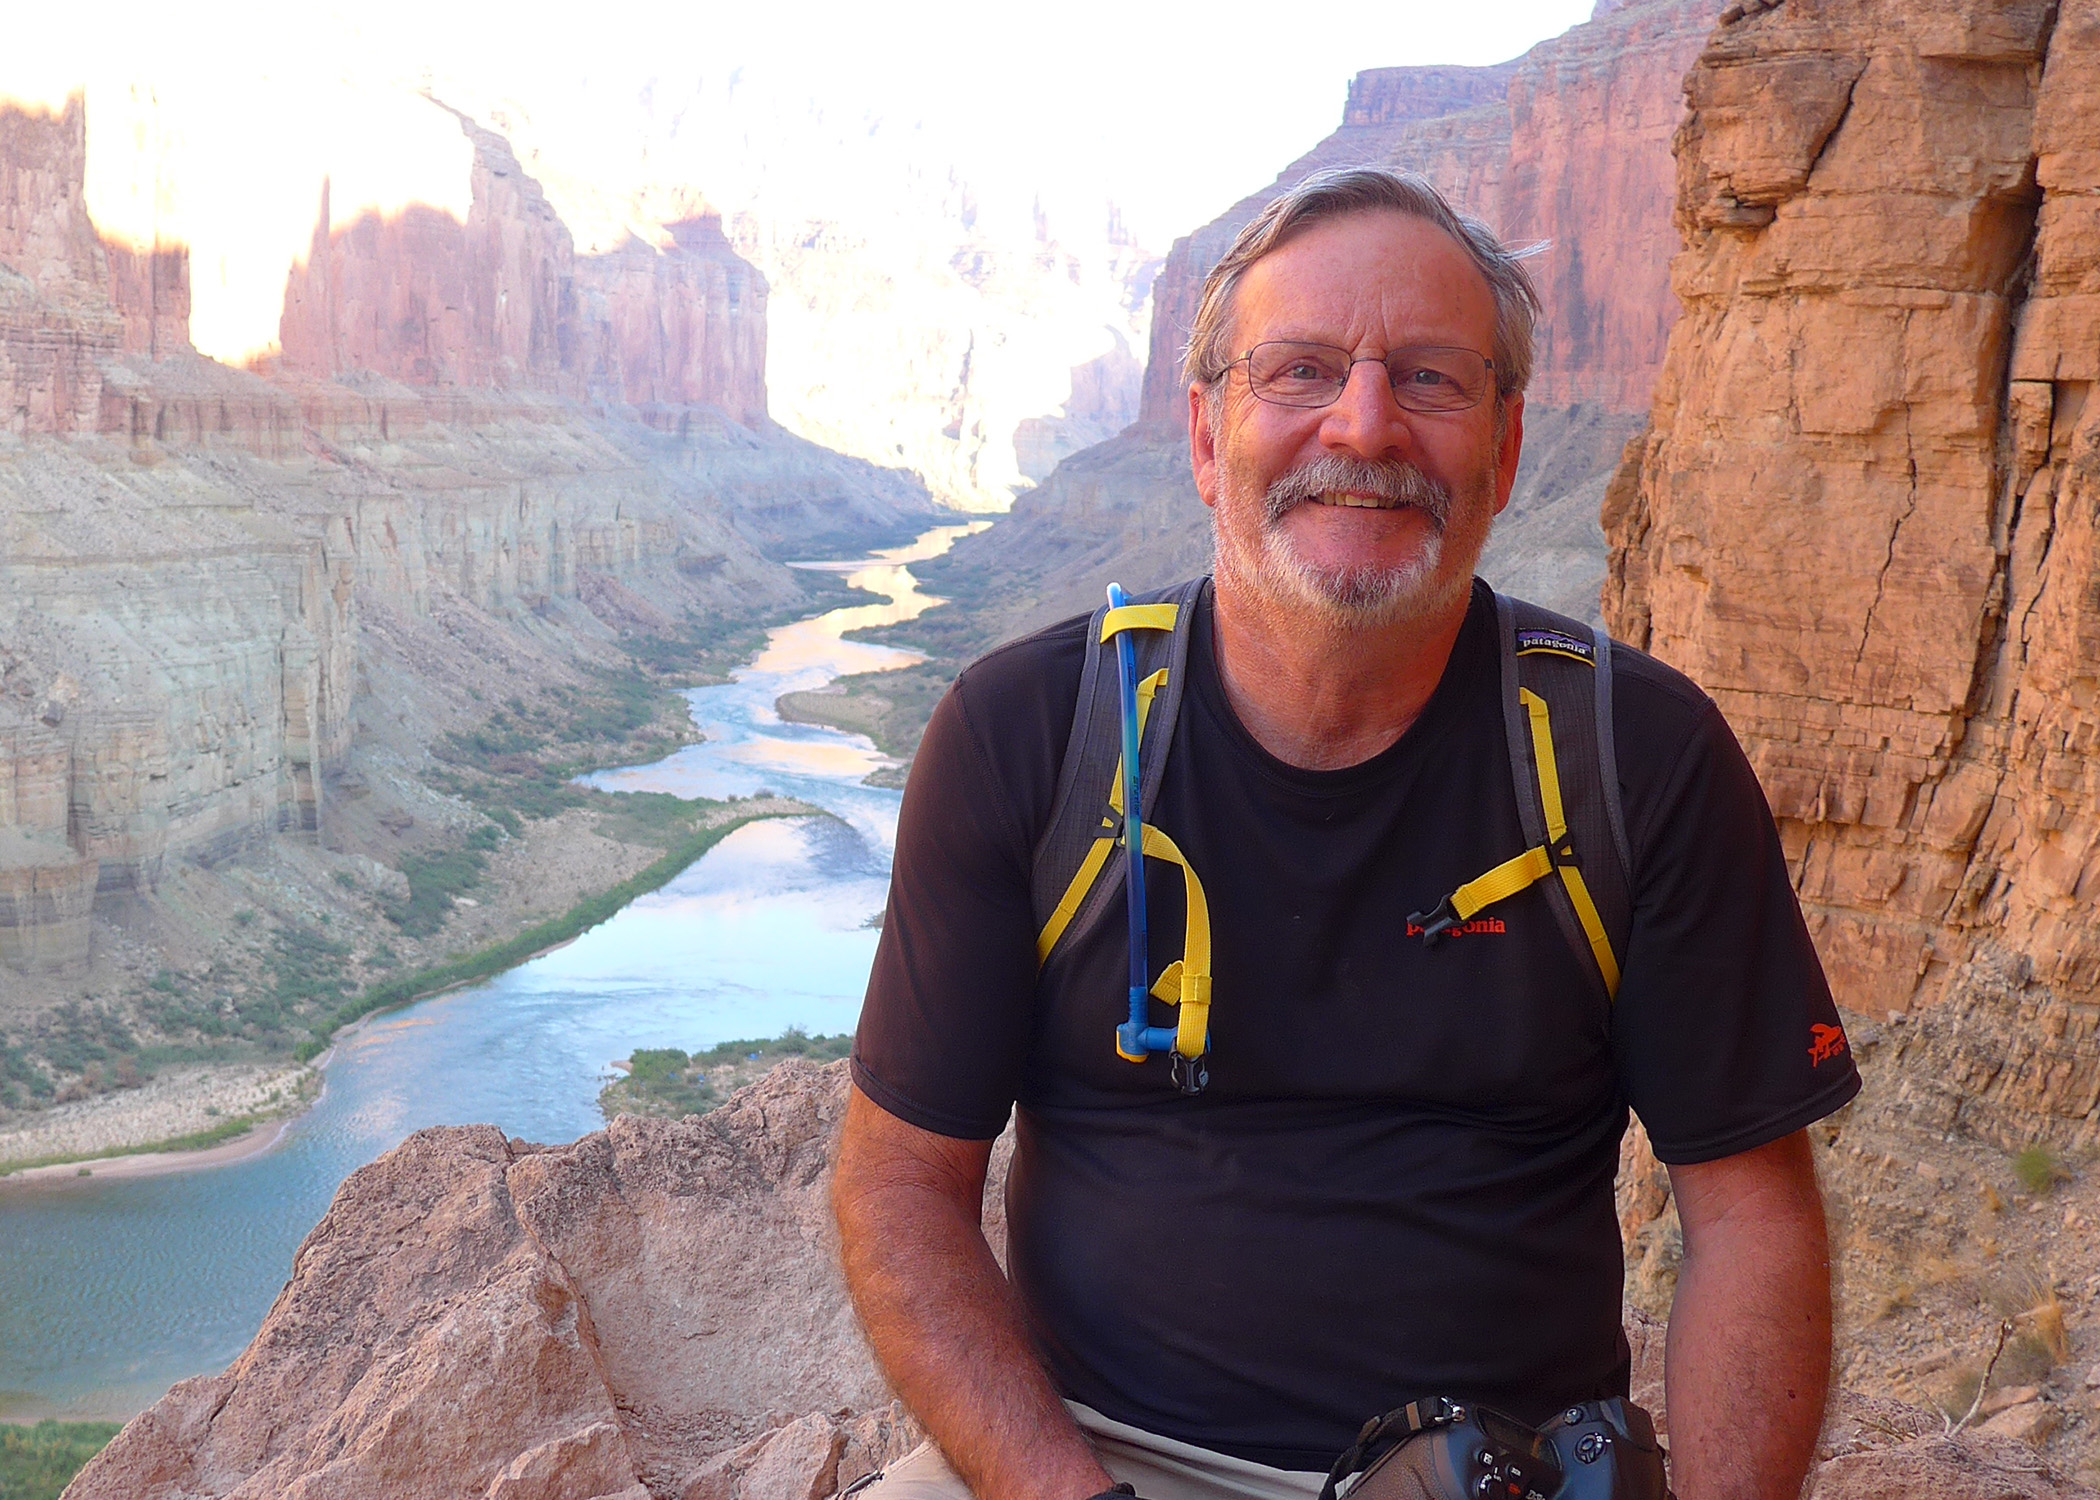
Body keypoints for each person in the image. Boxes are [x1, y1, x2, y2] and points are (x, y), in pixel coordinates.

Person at [833, 168, 1860, 1500]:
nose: (1364, 426)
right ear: (1207, 438)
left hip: (1494, 1475)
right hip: (1091, 1459)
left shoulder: (1635, 758)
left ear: (1504, 448)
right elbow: (899, 1191)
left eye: (1430, 378)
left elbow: (1750, 1215)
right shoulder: (1027, 732)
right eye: (1301, 371)